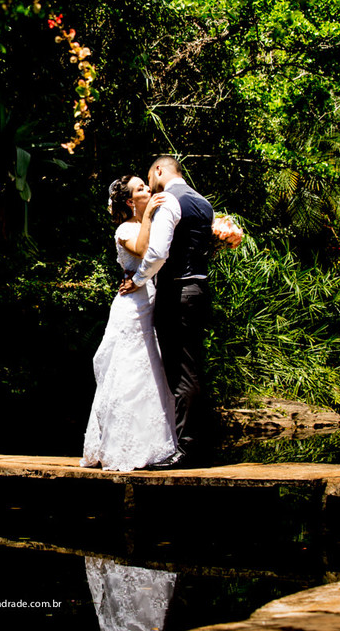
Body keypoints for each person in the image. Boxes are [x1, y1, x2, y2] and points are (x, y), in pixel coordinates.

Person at [120, 156, 214, 467]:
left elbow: (158, 252)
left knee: (180, 372)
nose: (151, 184)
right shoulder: (203, 203)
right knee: (194, 367)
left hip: (177, 291)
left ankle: (187, 450)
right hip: (200, 289)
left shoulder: (170, 201)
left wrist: (138, 278)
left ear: (160, 170)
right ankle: (202, 443)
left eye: (150, 175)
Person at [79, 176, 178, 471]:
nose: (149, 190)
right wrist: (148, 215)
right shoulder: (125, 229)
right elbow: (143, 248)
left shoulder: (151, 220)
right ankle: (117, 446)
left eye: (146, 186)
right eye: (141, 189)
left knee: (150, 371)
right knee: (127, 369)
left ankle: (152, 445)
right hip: (131, 307)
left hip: (149, 301)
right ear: (129, 201)